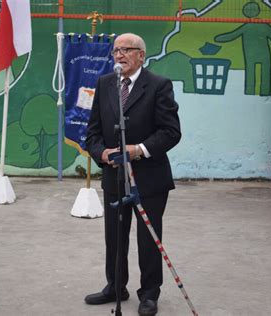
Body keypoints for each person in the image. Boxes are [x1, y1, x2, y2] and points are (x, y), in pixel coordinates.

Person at [84, 33, 181, 316]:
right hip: (114, 175)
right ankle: (115, 286)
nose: (119, 55)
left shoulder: (159, 86)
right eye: (116, 51)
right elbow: (93, 131)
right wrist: (101, 153)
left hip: (149, 177)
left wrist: (138, 149)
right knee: (115, 237)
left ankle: (149, 294)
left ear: (141, 55)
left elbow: (171, 132)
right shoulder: (104, 84)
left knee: (148, 238)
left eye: (126, 50)